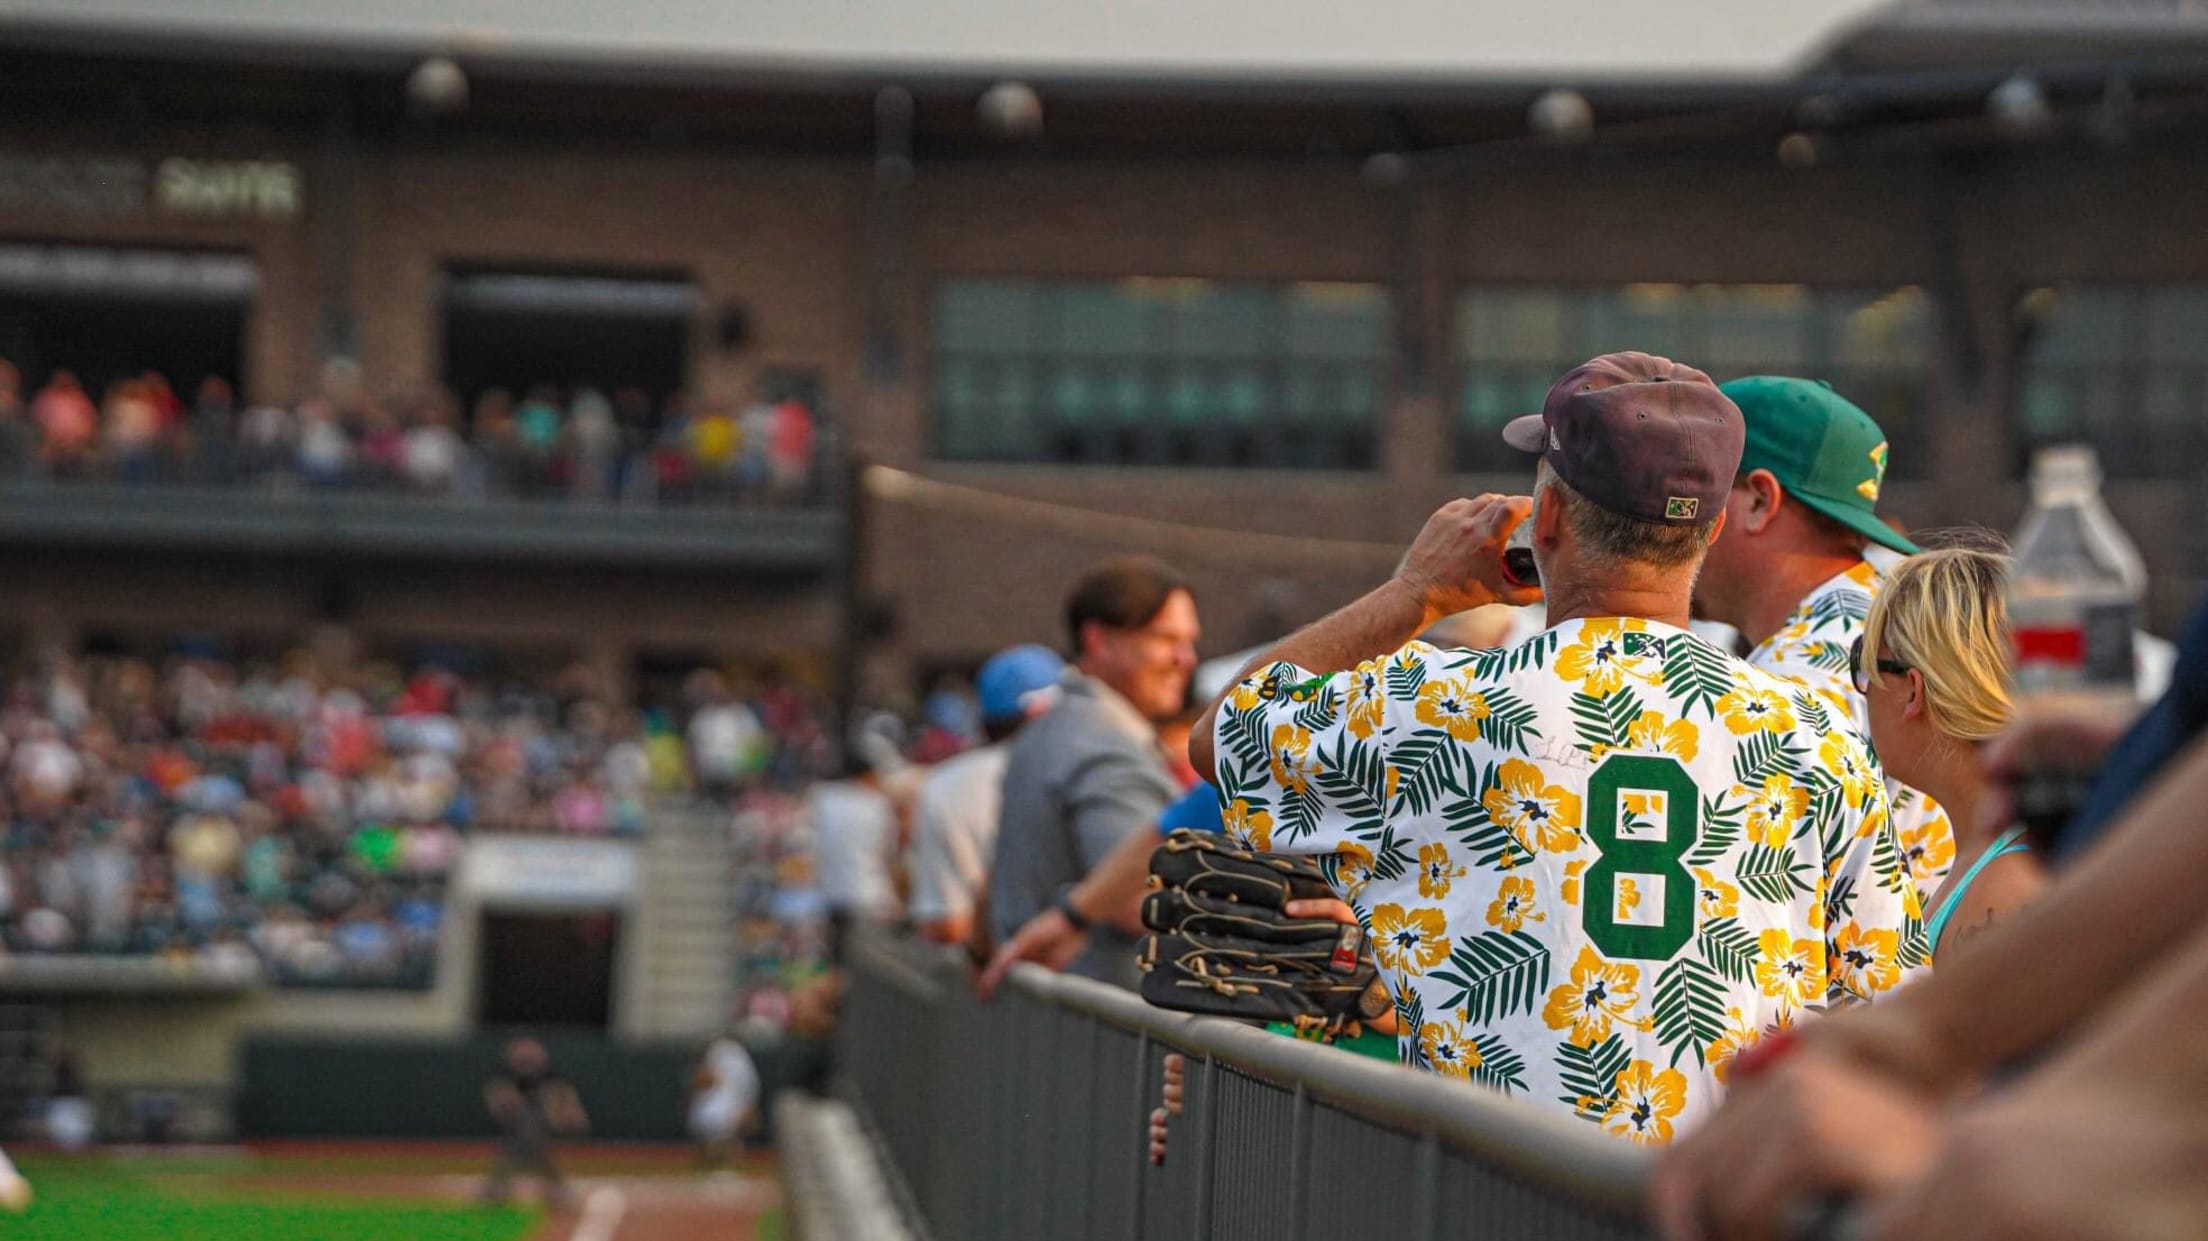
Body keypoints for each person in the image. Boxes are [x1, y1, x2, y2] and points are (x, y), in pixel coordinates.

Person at [1191, 353, 1924, 1144]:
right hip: (1713, 1197)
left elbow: (1221, 733)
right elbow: (1882, 997)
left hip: (1494, 1190)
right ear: (1710, 530)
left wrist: (1416, 591)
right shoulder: (1816, 730)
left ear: (1545, 519)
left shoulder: (1443, 705)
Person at [1691, 376, 1958, 900]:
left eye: (1696, 487)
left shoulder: (1796, 678)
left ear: (1759, 501)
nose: (1672, 514)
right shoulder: (1894, 617)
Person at [986, 556, 1198, 990]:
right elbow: (1139, 897)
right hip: (1099, 1026)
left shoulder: (1046, 730)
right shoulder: (1103, 744)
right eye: (1166, 638)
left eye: (1190, 642)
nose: (1186, 659)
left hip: (1047, 1019)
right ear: (1099, 640)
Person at [1855, 548, 2046, 959]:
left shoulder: (2003, 885)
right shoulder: (1995, 858)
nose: (1864, 689)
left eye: (1866, 665)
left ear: (1912, 688)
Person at [909, 644, 1065, 949]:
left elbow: (944, 925)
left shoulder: (944, 783)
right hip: (1077, 976)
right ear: (1040, 711)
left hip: (980, 977)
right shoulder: (1076, 769)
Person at [481, 1035, 587, 1207]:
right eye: (522, 1057)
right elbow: (499, 1102)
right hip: (515, 1130)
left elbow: (569, 1110)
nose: (527, 1062)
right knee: (522, 1142)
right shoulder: (503, 1077)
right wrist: (510, 1104)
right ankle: (499, 1185)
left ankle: (553, 1185)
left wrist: (566, 1115)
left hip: (540, 1129)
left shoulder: (551, 1079)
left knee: (534, 1144)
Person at [687, 1033, 761, 1170]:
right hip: (714, 1116)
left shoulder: (735, 1062)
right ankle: (716, 1155)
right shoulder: (715, 1068)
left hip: (728, 1117)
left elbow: (748, 1091)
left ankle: (725, 1153)